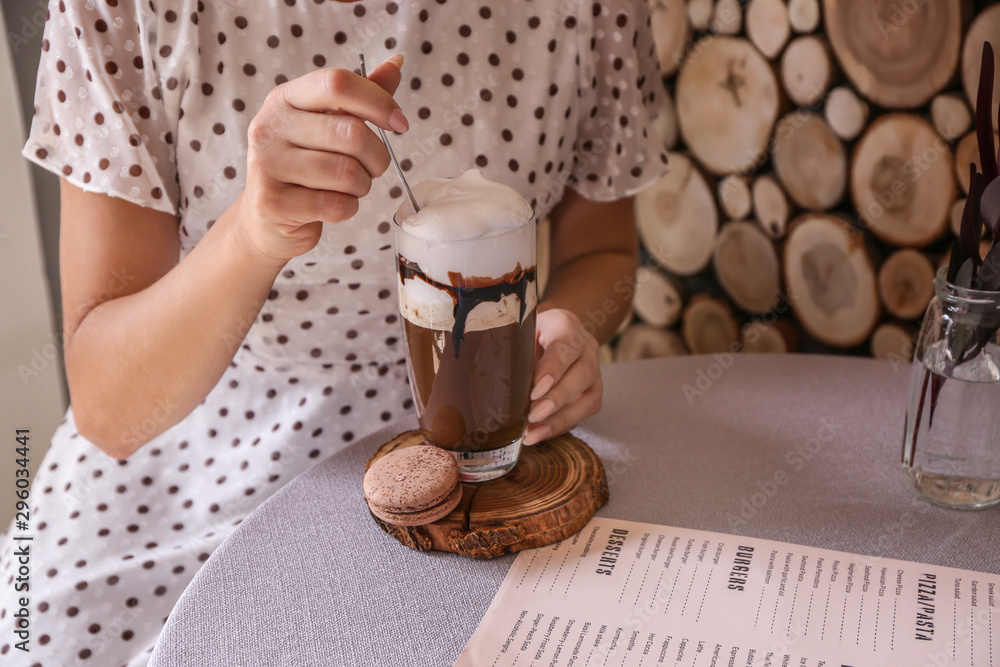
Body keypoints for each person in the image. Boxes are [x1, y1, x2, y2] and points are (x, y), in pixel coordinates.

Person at [0, 0, 669, 663]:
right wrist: (252, 233)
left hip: (487, 431)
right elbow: (109, 406)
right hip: (194, 437)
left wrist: (565, 322)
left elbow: (600, 254)